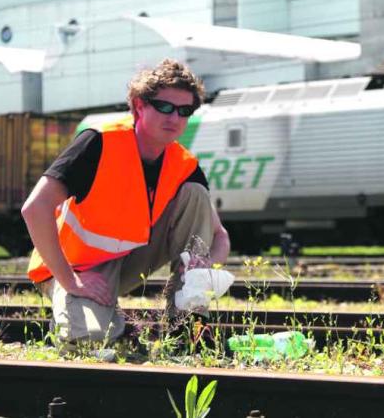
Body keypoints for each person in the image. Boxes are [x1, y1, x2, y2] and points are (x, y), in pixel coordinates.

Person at [22, 58, 230, 345]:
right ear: (138, 105)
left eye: (184, 111)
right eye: (164, 107)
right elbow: (35, 208)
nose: (174, 118)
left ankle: (187, 327)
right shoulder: (99, 142)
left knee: (195, 193)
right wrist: (70, 280)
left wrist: (203, 269)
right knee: (89, 340)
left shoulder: (183, 165)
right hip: (77, 266)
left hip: (130, 259)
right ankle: (99, 318)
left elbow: (220, 237)